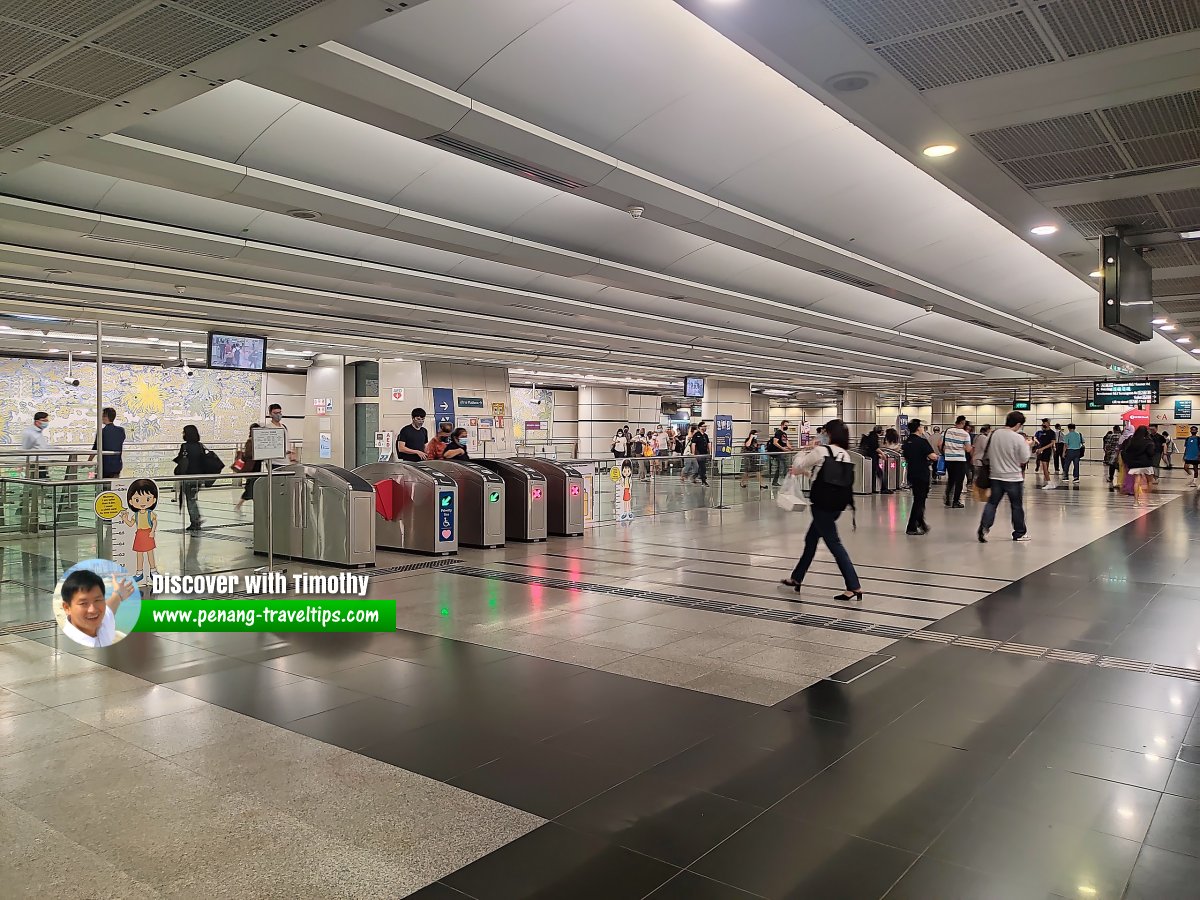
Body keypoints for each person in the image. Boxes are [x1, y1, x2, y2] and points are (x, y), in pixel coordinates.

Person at [778, 419, 862, 601]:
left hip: (822, 505)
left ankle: (854, 585)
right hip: (837, 505)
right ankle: (796, 578)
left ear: (830, 433)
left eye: (824, 432)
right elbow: (825, 476)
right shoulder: (844, 454)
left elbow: (799, 464)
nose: (822, 435)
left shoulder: (821, 450)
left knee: (834, 544)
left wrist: (804, 450)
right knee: (811, 539)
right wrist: (806, 472)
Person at [977, 411, 1033, 543]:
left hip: (996, 476)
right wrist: (1028, 445)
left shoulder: (994, 434)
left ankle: (984, 528)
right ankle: (1019, 533)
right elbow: (1024, 458)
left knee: (992, 503)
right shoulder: (1018, 438)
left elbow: (988, 452)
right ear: (1018, 424)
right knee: (1016, 506)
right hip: (1013, 478)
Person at [59, 568, 134, 648]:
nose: (93, 610)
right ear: (67, 608)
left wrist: (118, 594)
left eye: (97, 600)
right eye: (83, 603)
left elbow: (110, 607)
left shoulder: (103, 621)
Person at [901, 419, 937, 536]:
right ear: (918, 428)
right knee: (919, 501)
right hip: (922, 474)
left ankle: (921, 523)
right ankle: (911, 526)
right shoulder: (922, 441)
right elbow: (933, 456)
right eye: (922, 426)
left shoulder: (907, 442)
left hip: (911, 473)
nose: (923, 428)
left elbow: (906, 456)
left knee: (918, 499)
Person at [121, 478, 159, 581]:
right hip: (139, 534)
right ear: (131, 501)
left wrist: (152, 532)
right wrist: (125, 519)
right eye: (137, 500)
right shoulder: (136, 515)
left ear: (153, 499)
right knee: (139, 554)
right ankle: (139, 573)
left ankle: (153, 571)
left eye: (147, 499)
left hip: (147, 533)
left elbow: (154, 522)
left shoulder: (150, 514)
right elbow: (130, 524)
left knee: (150, 553)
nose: (142, 502)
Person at [174, 424, 207, 531]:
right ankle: (196, 518)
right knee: (192, 498)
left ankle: (195, 520)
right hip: (199, 477)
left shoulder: (185, 446)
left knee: (190, 499)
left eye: (183, 432)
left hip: (188, 476)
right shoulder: (200, 446)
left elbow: (181, 460)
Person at [1122, 425, 1158, 506]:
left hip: (1135, 464)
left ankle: (1136, 501)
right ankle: (1148, 499)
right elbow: (1151, 453)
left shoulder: (1132, 441)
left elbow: (1127, 451)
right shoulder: (1148, 441)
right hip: (1146, 464)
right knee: (1150, 481)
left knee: (1136, 482)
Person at [941, 415, 972, 508]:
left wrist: (946, 452)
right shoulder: (965, 434)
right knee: (959, 481)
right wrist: (966, 447)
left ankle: (947, 499)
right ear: (962, 423)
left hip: (949, 459)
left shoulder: (947, 431)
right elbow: (968, 449)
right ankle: (955, 502)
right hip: (960, 460)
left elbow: (939, 444)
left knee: (951, 479)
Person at [87, 407, 126, 479]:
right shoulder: (121, 430)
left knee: (102, 485)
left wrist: (89, 461)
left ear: (106, 417)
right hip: (117, 465)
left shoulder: (102, 431)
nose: (101, 418)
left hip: (104, 466)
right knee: (114, 486)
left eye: (102, 415)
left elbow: (95, 448)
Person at [234, 424, 263, 511]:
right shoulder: (250, 441)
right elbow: (248, 454)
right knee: (251, 488)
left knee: (252, 488)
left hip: (256, 467)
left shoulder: (258, 441)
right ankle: (239, 506)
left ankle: (240, 506)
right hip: (252, 468)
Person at [20, 411, 52, 478]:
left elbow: (42, 447)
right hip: (35, 462)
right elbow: (25, 448)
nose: (46, 423)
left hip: (42, 462)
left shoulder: (38, 432)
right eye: (44, 420)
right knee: (38, 482)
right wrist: (21, 464)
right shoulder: (30, 433)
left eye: (47, 420)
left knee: (43, 481)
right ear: (37, 421)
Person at [767, 421, 792, 486]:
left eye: (787, 425)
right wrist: (782, 448)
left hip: (782, 453)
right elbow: (775, 442)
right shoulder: (778, 433)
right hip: (778, 453)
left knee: (782, 466)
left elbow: (787, 443)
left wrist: (792, 449)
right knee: (782, 466)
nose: (787, 427)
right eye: (785, 425)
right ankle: (784, 481)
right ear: (782, 425)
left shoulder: (784, 434)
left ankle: (777, 481)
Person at [1035, 418, 1056, 488]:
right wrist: (1038, 448)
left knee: (1044, 467)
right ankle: (1049, 482)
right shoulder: (1041, 432)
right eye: (1043, 423)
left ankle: (1049, 483)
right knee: (1044, 468)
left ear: (1048, 424)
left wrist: (1042, 448)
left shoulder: (1052, 433)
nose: (1043, 424)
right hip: (1041, 451)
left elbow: (1052, 443)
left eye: (1045, 423)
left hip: (1047, 451)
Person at [689, 421, 711, 486]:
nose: (705, 428)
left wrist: (710, 452)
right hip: (699, 453)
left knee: (701, 466)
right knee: (702, 467)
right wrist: (693, 453)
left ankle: (695, 476)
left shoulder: (705, 435)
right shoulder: (696, 435)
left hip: (704, 453)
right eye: (704, 426)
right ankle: (703, 480)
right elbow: (693, 444)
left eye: (705, 426)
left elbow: (708, 444)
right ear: (700, 427)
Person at [1103, 425, 1123, 490]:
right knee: (1120, 467)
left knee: (1112, 466)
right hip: (1120, 454)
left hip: (1112, 453)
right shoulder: (1122, 436)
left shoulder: (1111, 436)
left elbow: (1107, 445)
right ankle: (1120, 480)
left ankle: (1111, 478)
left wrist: (1107, 451)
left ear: (1114, 429)